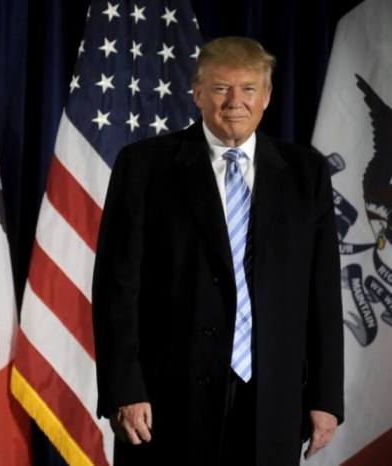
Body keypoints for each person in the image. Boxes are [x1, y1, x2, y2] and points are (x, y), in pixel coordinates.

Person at [92, 37, 343, 466]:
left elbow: (322, 294)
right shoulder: (144, 166)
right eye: (221, 88)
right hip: (166, 399)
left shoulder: (307, 173)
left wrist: (325, 397)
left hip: (272, 399)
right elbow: (117, 287)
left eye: (248, 89)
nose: (235, 102)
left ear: (266, 96)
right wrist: (125, 388)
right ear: (197, 93)